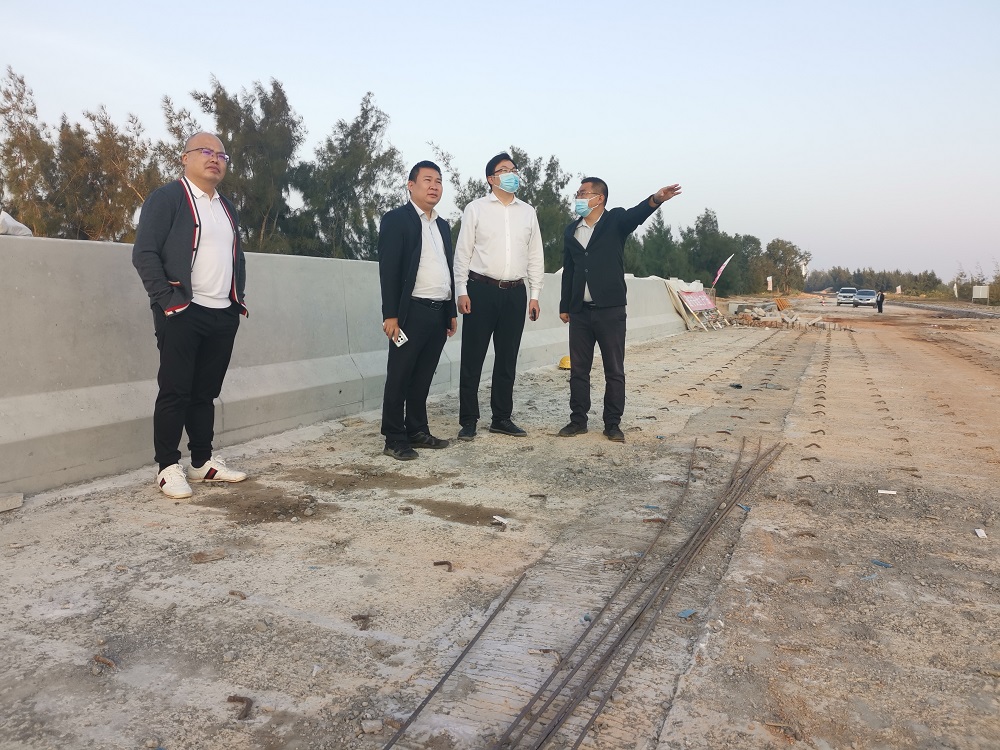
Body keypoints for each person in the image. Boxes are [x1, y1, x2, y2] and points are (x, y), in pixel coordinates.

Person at [132, 132, 248, 499]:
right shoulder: (167, 198)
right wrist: (168, 301)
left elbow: (236, 257)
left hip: (223, 313)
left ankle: (202, 462)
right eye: (205, 151)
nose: (215, 159)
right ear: (185, 158)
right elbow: (144, 253)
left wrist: (236, 300)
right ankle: (168, 467)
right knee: (175, 390)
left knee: (205, 393)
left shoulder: (226, 207)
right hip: (183, 311)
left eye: (221, 155)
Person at [557, 178, 682, 442]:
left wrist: (656, 199)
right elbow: (569, 270)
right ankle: (578, 420)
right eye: (577, 193)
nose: (578, 197)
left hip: (610, 310)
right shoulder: (571, 231)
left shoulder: (615, 221)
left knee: (614, 369)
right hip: (579, 312)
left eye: (583, 193)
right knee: (579, 370)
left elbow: (637, 214)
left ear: (599, 198)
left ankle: (612, 424)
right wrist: (565, 305)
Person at [452, 152, 544, 440]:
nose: (511, 174)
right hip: (480, 290)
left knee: (507, 358)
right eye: (504, 170)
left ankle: (501, 418)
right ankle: (469, 420)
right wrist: (461, 290)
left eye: (514, 169)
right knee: (473, 357)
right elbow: (463, 253)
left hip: (515, 293)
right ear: (491, 178)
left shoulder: (528, 212)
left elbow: (535, 255)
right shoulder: (476, 209)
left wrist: (535, 294)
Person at [378, 160, 458, 460]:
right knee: (399, 376)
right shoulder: (396, 220)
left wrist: (450, 311)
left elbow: (447, 270)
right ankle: (393, 437)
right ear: (411, 185)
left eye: (438, 181)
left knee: (423, 376)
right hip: (409, 312)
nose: (434, 186)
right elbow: (389, 270)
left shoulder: (442, 225)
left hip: (437, 312)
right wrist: (390, 315)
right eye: (427, 180)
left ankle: (417, 430)